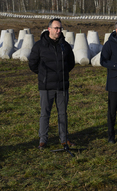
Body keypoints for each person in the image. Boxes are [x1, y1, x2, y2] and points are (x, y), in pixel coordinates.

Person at [28, 19, 75, 149]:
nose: (58, 31)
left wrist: (62, 74)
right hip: (46, 86)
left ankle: (64, 139)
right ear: (49, 29)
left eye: (60, 28)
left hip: (62, 86)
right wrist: (44, 75)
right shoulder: (39, 45)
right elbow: (32, 63)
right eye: (56, 28)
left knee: (63, 113)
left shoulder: (64, 45)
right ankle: (43, 140)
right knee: (45, 113)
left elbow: (71, 62)